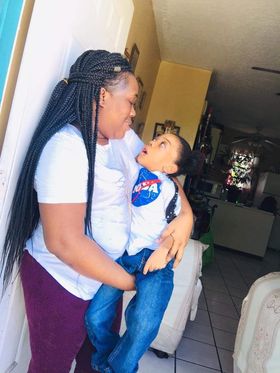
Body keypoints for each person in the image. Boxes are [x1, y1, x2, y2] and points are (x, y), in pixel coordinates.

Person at [0, 50, 193, 373]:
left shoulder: (121, 140)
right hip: (63, 281)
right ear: (103, 96)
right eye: (131, 101)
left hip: (104, 278)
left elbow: (164, 177)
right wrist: (133, 282)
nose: (133, 112)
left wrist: (186, 217)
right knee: (52, 367)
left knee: (97, 364)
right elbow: (65, 242)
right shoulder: (67, 148)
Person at [85, 133, 201, 373]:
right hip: (125, 257)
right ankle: (106, 360)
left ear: (169, 167)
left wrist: (165, 250)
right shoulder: (131, 166)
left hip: (156, 261)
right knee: (95, 317)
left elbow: (177, 227)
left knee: (145, 323)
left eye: (162, 145)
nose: (151, 143)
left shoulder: (170, 189)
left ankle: (118, 369)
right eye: (156, 138)